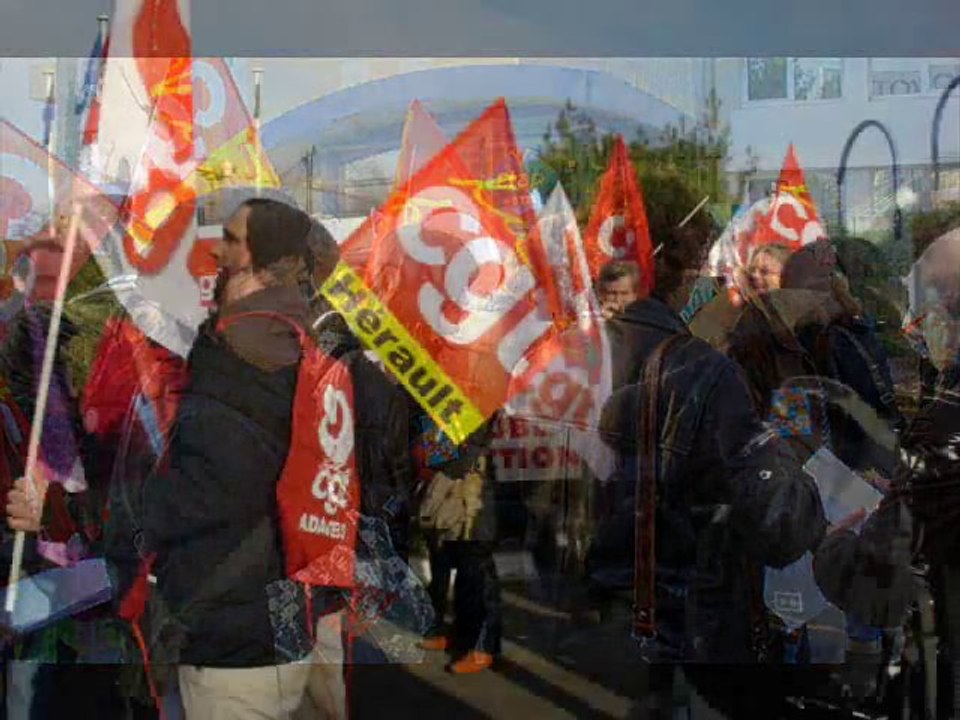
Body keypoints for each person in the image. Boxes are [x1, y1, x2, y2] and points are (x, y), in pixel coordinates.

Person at [590, 224, 827, 718]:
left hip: (773, 491)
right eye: (754, 269)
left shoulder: (806, 336)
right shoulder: (728, 330)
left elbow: (802, 416)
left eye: (770, 270)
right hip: (724, 506)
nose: (759, 277)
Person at [415, 414, 501, 674]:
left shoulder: (482, 405)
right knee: (463, 571)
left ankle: (483, 646)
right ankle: (460, 637)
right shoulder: (454, 403)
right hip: (459, 501)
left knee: (479, 576)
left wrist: (437, 435)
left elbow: (453, 460)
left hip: (474, 502)